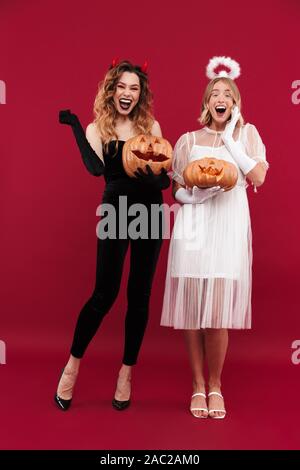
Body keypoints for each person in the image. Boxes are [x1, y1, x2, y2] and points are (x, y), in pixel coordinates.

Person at [55, 59, 170, 411]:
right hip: (116, 212)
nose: (127, 93)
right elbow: (95, 169)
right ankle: (72, 366)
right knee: (104, 294)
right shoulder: (97, 128)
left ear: (141, 94)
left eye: (134, 88)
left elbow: (164, 177)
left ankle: (126, 373)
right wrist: (75, 125)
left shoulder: (150, 125)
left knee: (139, 295)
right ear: (112, 89)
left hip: (150, 212)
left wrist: (154, 178)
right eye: (122, 86)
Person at [161, 57, 269, 419]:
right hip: (193, 228)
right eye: (214, 94)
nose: (220, 98)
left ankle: (216, 385)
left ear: (235, 103)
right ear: (206, 102)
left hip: (228, 228)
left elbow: (257, 177)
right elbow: (176, 189)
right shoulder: (188, 140)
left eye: (228, 94)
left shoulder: (247, 134)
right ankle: (197, 385)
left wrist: (232, 135)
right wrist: (195, 197)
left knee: (218, 315)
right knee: (192, 313)